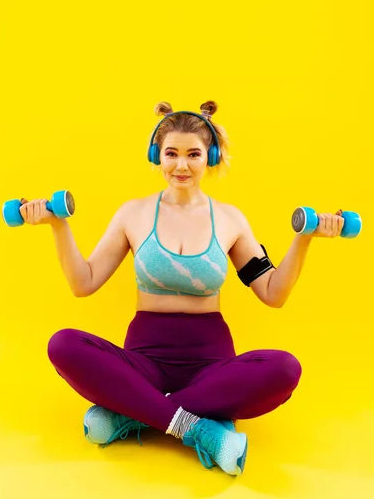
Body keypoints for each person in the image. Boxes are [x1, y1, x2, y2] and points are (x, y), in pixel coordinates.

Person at [20, 101, 344, 476]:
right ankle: (197, 427)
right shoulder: (133, 214)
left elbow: (273, 292)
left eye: (194, 154)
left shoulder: (229, 219)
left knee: (285, 369)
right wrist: (58, 226)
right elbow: (84, 282)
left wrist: (304, 239)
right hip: (143, 360)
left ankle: (136, 413)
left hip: (211, 364)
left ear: (211, 156)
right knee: (62, 344)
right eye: (171, 153)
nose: (181, 165)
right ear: (157, 155)